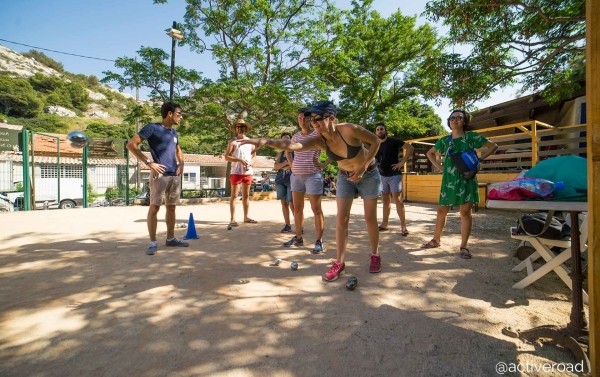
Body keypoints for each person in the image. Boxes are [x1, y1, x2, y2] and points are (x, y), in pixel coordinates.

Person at [240, 100, 382, 282]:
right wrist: (263, 141)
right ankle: (339, 262)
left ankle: (375, 254)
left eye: (317, 119)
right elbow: (291, 146)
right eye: (312, 120)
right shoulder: (318, 139)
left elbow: (376, 141)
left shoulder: (349, 129)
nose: (313, 124)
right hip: (345, 176)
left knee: (370, 218)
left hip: (368, 174)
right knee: (341, 219)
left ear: (331, 118)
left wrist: (362, 167)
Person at [420, 109, 498, 259]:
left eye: (459, 117)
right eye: (452, 118)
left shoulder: (472, 137)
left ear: (464, 121)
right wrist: (439, 167)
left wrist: (480, 160)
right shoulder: (444, 141)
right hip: (449, 179)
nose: (455, 120)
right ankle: (436, 240)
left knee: (465, 213)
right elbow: (430, 153)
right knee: (441, 211)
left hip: (467, 178)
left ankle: (464, 246)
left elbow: (493, 146)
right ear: (449, 122)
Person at [126, 101, 188, 255]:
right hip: (159, 175)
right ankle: (153, 242)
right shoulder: (152, 128)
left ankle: (171, 238)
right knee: (154, 207)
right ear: (170, 113)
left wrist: (181, 163)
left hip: (174, 175)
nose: (181, 117)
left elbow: (178, 150)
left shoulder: (174, 133)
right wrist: (149, 162)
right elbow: (131, 145)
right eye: (179, 114)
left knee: (172, 207)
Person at [283, 108, 328, 254]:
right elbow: (287, 151)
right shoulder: (295, 136)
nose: (302, 121)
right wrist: (291, 165)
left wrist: (325, 163)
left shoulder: (317, 134)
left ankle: (319, 241)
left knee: (316, 209)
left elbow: (332, 148)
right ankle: (298, 237)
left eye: (304, 118)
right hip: (296, 176)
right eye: (299, 118)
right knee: (297, 209)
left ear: (310, 120)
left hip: (313, 175)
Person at [374, 122, 414, 236]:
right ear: (375, 132)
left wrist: (402, 162)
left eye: (382, 129)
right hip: (382, 175)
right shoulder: (375, 144)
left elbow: (410, 148)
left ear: (385, 131)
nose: (380, 131)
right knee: (385, 200)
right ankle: (384, 224)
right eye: (377, 130)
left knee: (397, 199)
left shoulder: (393, 141)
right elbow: (376, 159)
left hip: (394, 175)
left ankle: (403, 227)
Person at [225, 118, 258, 227]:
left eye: (242, 127)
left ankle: (246, 217)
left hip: (247, 172)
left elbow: (254, 157)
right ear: (235, 129)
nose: (240, 129)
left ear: (246, 129)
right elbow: (227, 157)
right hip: (236, 172)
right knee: (234, 195)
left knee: (246, 195)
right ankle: (232, 219)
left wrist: (251, 164)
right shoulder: (233, 142)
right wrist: (239, 160)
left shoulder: (251, 142)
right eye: (238, 127)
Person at [273, 132, 294, 233]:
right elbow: (275, 167)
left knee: (292, 203)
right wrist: (286, 163)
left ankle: (299, 225)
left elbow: (293, 165)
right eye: (283, 139)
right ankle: (287, 225)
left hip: (292, 179)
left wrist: (282, 164)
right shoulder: (280, 153)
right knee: (284, 203)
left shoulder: (295, 152)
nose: (285, 141)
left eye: (287, 139)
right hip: (280, 179)